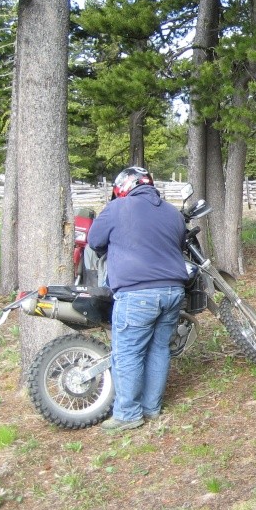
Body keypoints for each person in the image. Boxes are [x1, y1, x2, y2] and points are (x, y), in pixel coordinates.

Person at [88, 166, 189, 432]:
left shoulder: (118, 208)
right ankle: (151, 408)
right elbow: (176, 243)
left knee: (128, 353)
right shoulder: (172, 211)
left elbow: (94, 241)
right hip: (174, 291)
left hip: (137, 294)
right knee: (158, 349)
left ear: (124, 186)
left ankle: (128, 414)